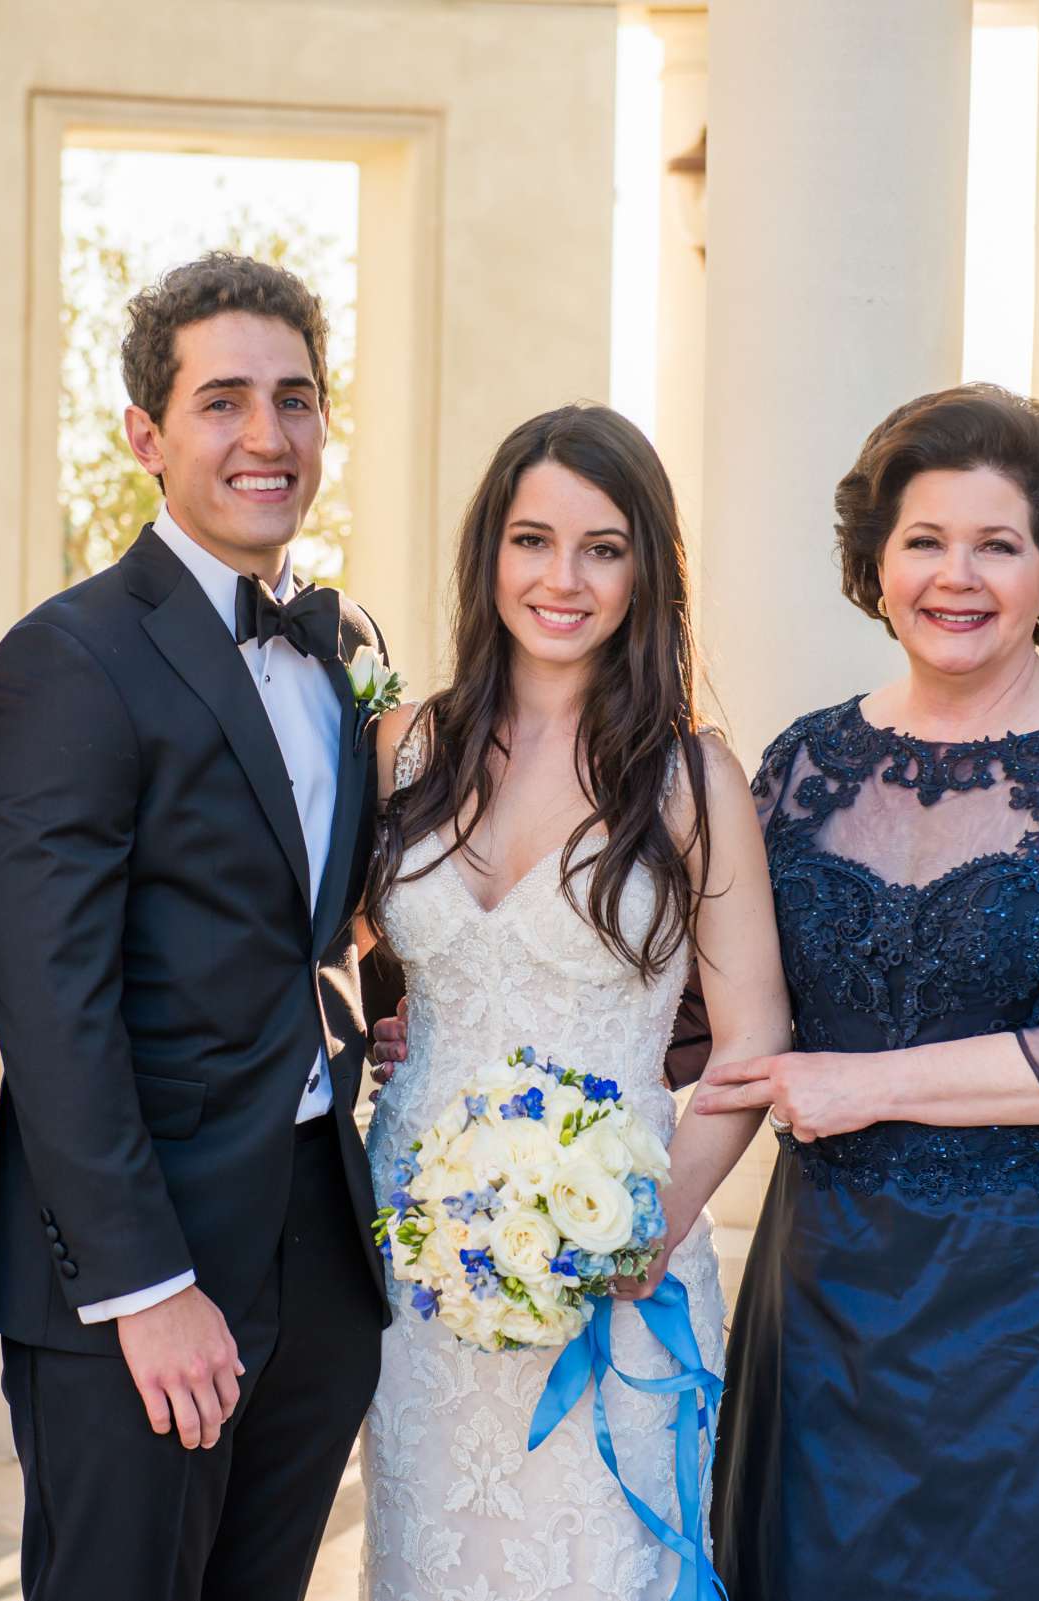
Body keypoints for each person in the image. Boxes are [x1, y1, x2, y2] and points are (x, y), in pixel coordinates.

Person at [692, 385, 1039, 1598]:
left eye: (998, 544)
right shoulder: (797, 765)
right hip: (832, 1289)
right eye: (925, 540)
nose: (959, 575)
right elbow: (724, 1005)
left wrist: (861, 1082)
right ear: (876, 566)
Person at [0, 252, 387, 1601]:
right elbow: (49, 996)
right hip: (141, 1266)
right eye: (222, 402)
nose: (266, 437)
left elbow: (316, 920)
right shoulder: (69, 656)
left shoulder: (345, 646)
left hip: (319, 1246)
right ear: (147, 435)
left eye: (295, 399)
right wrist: (145, 1285)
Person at [359, 404, 792, 1599]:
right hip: (419, 1277)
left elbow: (753, 1042)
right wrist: (384, 1028)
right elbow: (331, 957)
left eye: (603, 547)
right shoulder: (405, 748)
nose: (563, 578)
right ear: (487, 552)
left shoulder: (693, 776)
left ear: (647, 568)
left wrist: (645, 1228)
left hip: (620, 1268)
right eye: (532, 539)